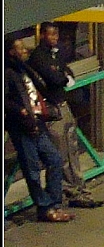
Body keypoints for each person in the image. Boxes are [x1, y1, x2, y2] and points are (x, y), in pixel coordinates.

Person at [28, 22, 104, 208]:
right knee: (60, 154)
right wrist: (61, 76)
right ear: (42, 36)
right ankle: (68, 192)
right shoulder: (38, 57)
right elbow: (56, 78)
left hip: (63, 105)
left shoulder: (55, 54)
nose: (55, 38)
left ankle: (80, 189)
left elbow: (67, 73)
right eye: (51, 35)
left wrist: (61, 75)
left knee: (72, 149)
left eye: (56, 34)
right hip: (52, 110)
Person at [4, 37, 74, 223]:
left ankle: (54, 203)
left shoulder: (25, 69)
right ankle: (45, 208)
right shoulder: (8, 73)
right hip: (22, 127)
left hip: (37, 123)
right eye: (20, 48)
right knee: (32, 170)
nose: (25, 51)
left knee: (55, 160)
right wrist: (20, 111)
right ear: (11, 52)